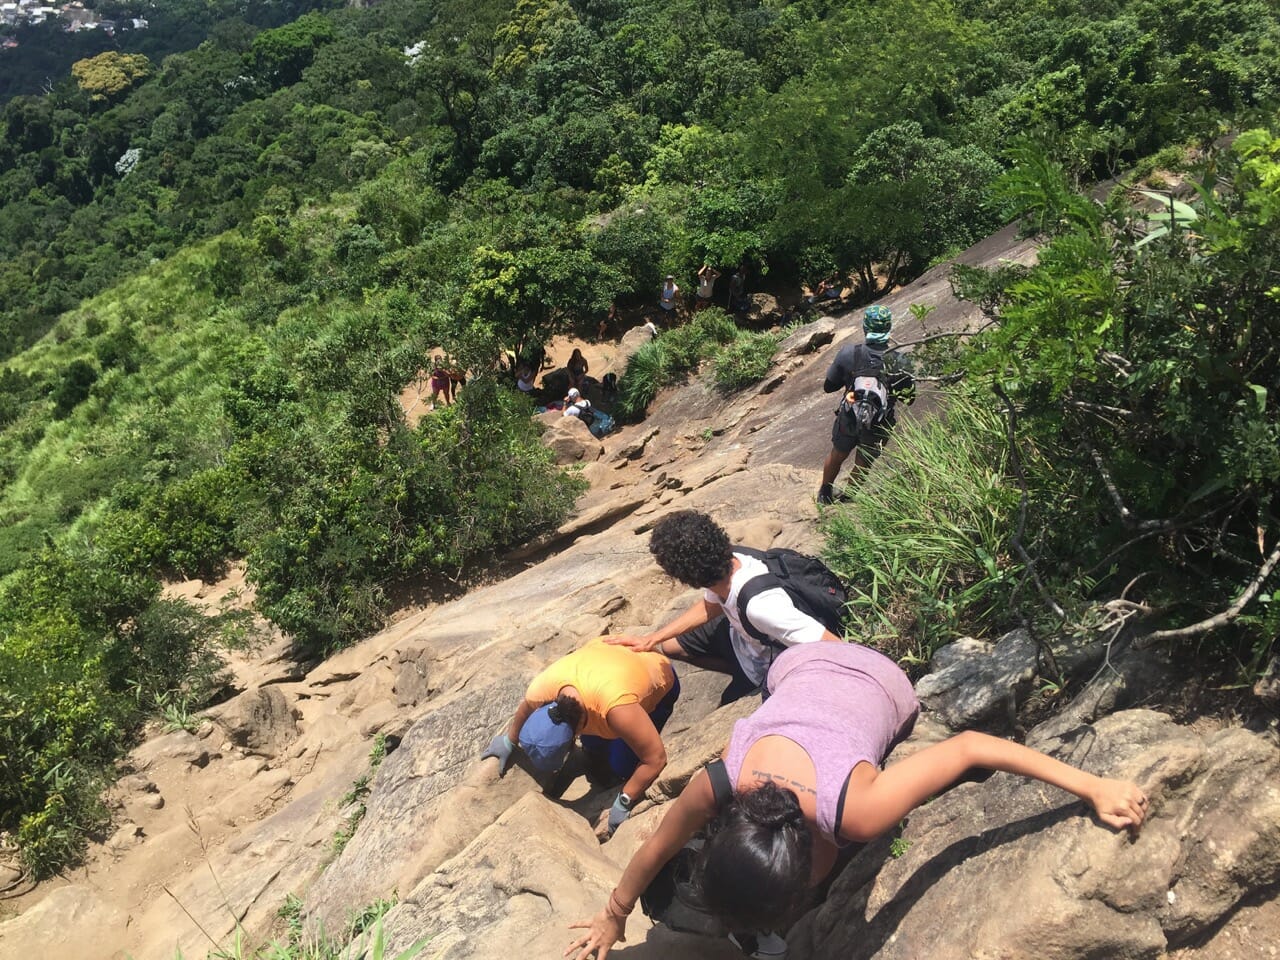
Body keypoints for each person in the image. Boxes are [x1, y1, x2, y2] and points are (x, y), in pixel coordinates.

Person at [567, 641, 1151, 960]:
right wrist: (612, 917)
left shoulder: (857, 811)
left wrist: (1092, 786)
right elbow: (656, 844)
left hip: (880, 678)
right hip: (799, 664)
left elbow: (972, 746)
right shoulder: (719, 782)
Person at [607, 511, 840, 704]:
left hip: (765, 653)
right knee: (669, 646)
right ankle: (737, 668)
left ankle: (748, 679)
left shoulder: (762, 607)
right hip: (743, 636)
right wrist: (652, 638)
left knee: (726, 706)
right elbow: (712, 603)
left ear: (685, 575)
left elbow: (834, 647)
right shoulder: (728, 560)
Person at [480, 638, 681, 837]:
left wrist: (625, 799)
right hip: (608, 660)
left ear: (573, 737)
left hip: (655, 670)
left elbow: (655, 759)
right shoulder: (541, 690)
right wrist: (509, 740)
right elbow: (526, 707)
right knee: (594, 747)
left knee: (623, 767)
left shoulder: (617, 710)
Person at [817, 304, 910, 505]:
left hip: (849, 416)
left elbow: (828, 387)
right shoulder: (900, 359)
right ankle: (849, 497)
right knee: (864, 459)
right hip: (880, 421)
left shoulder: (849, 353)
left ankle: (825, 493)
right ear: (888, 328)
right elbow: (910, 398)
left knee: (838, 453)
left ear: (865, 327)